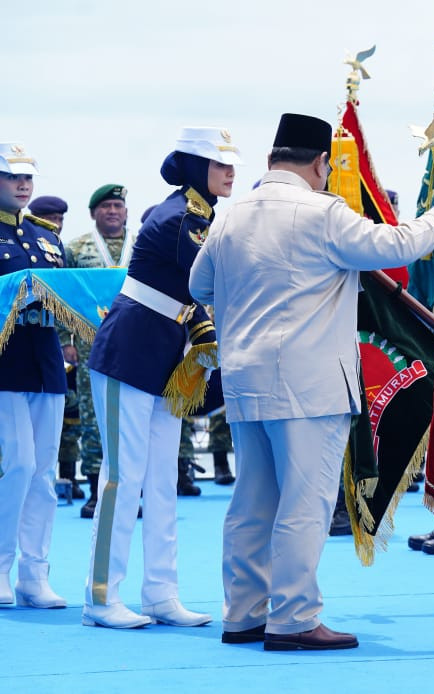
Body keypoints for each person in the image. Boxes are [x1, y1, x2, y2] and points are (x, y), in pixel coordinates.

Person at [189, 112, 434, 651]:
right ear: (322, 164)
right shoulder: (322, 212)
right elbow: (399, 247)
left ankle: (243, 614)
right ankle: (294, 618)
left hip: (245, 379)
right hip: (307, 384)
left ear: (271, 159)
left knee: (252, 503)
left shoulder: (230, 218)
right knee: (303, 506)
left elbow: (199, 286)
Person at [82, 127, 240, 630]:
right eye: (220, 164)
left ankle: (160, 593)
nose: (230, 171)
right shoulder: (181, 219)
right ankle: (100, 597)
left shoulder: (200, 216)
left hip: (165, 359)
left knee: (162, 480)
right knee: (122, 477)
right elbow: (214, 283)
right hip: (129, 354)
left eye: (231, 163)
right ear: (195, 167)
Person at [0, 142, 68, 609]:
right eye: (12, 176)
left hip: (46, 360)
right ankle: (0, 566)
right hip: (5, 362)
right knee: (18, 463)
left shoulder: (47, 236)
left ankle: (34, 574)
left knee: (44, 472)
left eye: (28, 177)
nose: (23, 184)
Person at [63, 184, 135, 518]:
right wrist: (65, 340)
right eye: (105, 206)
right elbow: (63, 295)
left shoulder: (141, 246)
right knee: (93, 418)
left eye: (118, 206)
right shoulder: (76, 248)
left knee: (131, 419)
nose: (112, 211)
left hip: (136, 346)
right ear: (93, 213)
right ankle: (95, 493)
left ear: (126, 212)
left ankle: (129, 494)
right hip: (90, 344)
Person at [28, 195, 82, 499]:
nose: (56, 224)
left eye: (60, 219)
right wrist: (64, 341)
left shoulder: (60, 249)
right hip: (37, 345)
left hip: (57, 350)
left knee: (68, 416)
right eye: (50, 218)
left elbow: (71, 300)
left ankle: (68, 476)